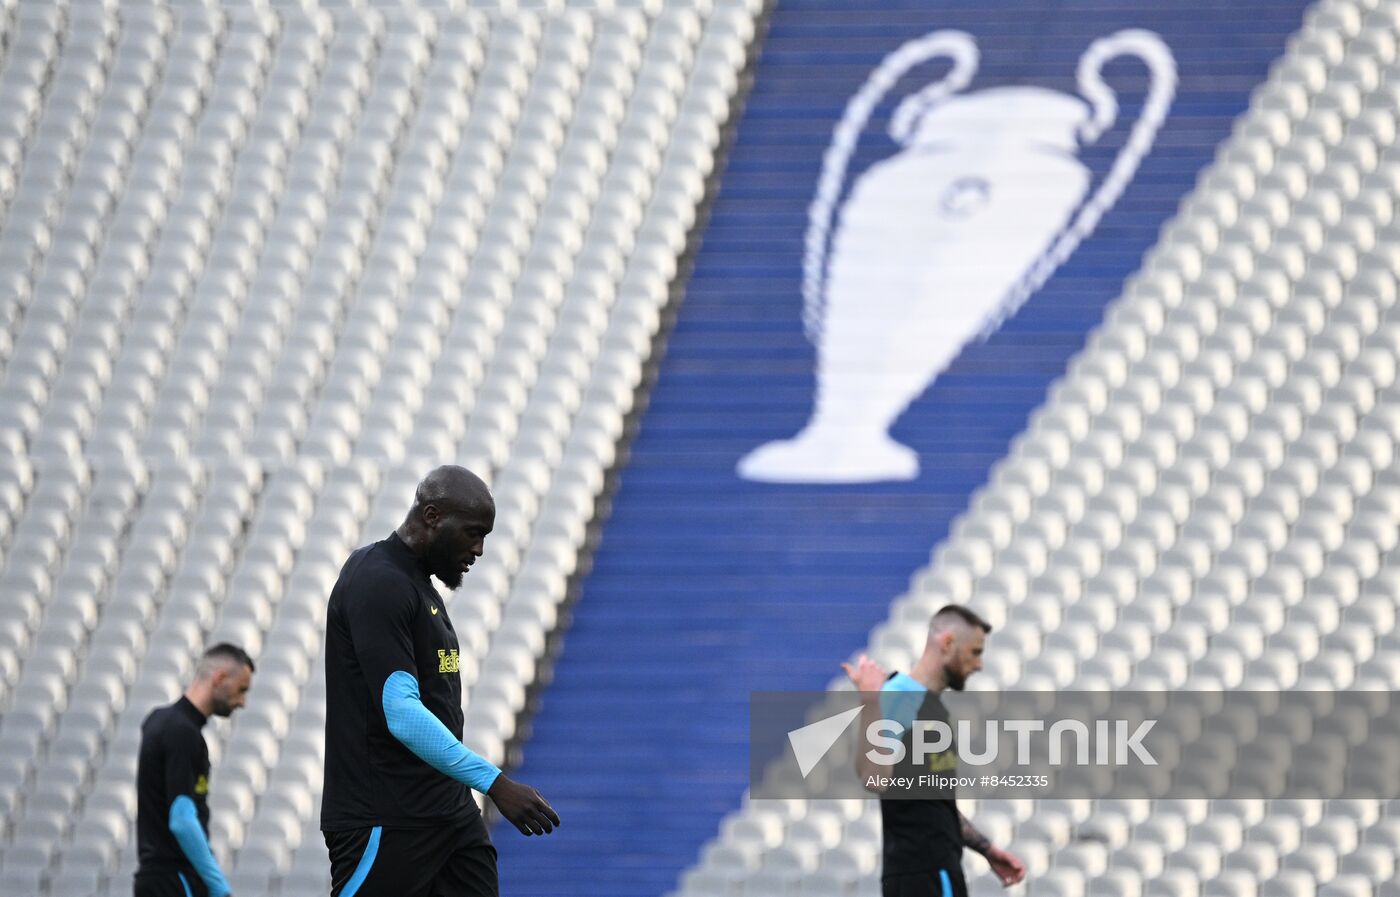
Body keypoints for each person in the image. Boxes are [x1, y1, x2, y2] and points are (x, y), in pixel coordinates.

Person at [321, 464, 560, 897]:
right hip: (388, 818)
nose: (480, 549)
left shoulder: (420, 586)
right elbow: (402, 714)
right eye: (473, 533)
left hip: (448, 815)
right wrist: (495, 783)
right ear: (431, 517)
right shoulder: (378, 581)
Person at [843, 604, 1026, 897]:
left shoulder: (932, 706)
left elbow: (936, 801)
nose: (978, 664)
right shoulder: (898, 697)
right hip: (921, 875)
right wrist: (870, 702)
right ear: (948, 643)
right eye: (975, 652)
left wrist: (986, 849)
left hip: (937, 871)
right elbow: (874, 778)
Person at [135, 643, 255, 897]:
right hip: (177, 880)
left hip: (151, 879)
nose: (242, 701)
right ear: (220, 677)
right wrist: (218, 886)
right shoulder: (184, 733)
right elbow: (182, 819)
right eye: (241, 689)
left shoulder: (157, 721)